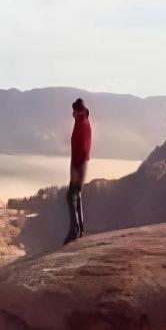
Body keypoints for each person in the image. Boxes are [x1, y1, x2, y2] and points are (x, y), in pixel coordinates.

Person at [65, 98, 92, 244]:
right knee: (77, 195)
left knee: (71, 196)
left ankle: (74, 231)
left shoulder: (81, 124)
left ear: (77, 111)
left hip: (79, 164)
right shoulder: (83, 122)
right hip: (82, 162)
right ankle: (80, 229)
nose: (72, 113)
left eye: (73, 111)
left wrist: (75, 167)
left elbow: (80, 146)